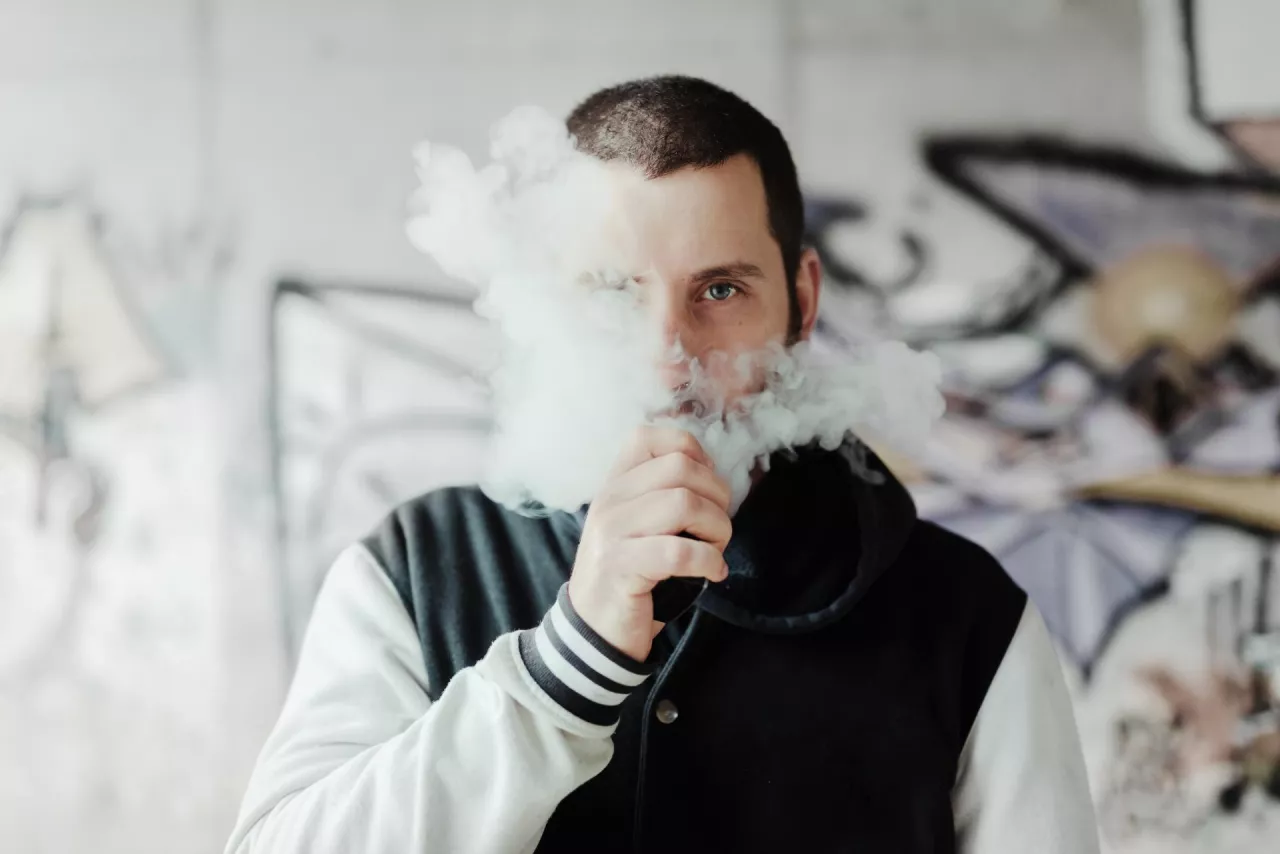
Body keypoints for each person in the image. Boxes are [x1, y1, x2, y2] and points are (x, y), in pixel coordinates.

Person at [225, 76, 1099, 853]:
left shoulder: (968, 617)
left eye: (720, 290)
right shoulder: (415, 567)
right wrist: (569, 666)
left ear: (800, 301)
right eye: (613, 292)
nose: (666, 359)